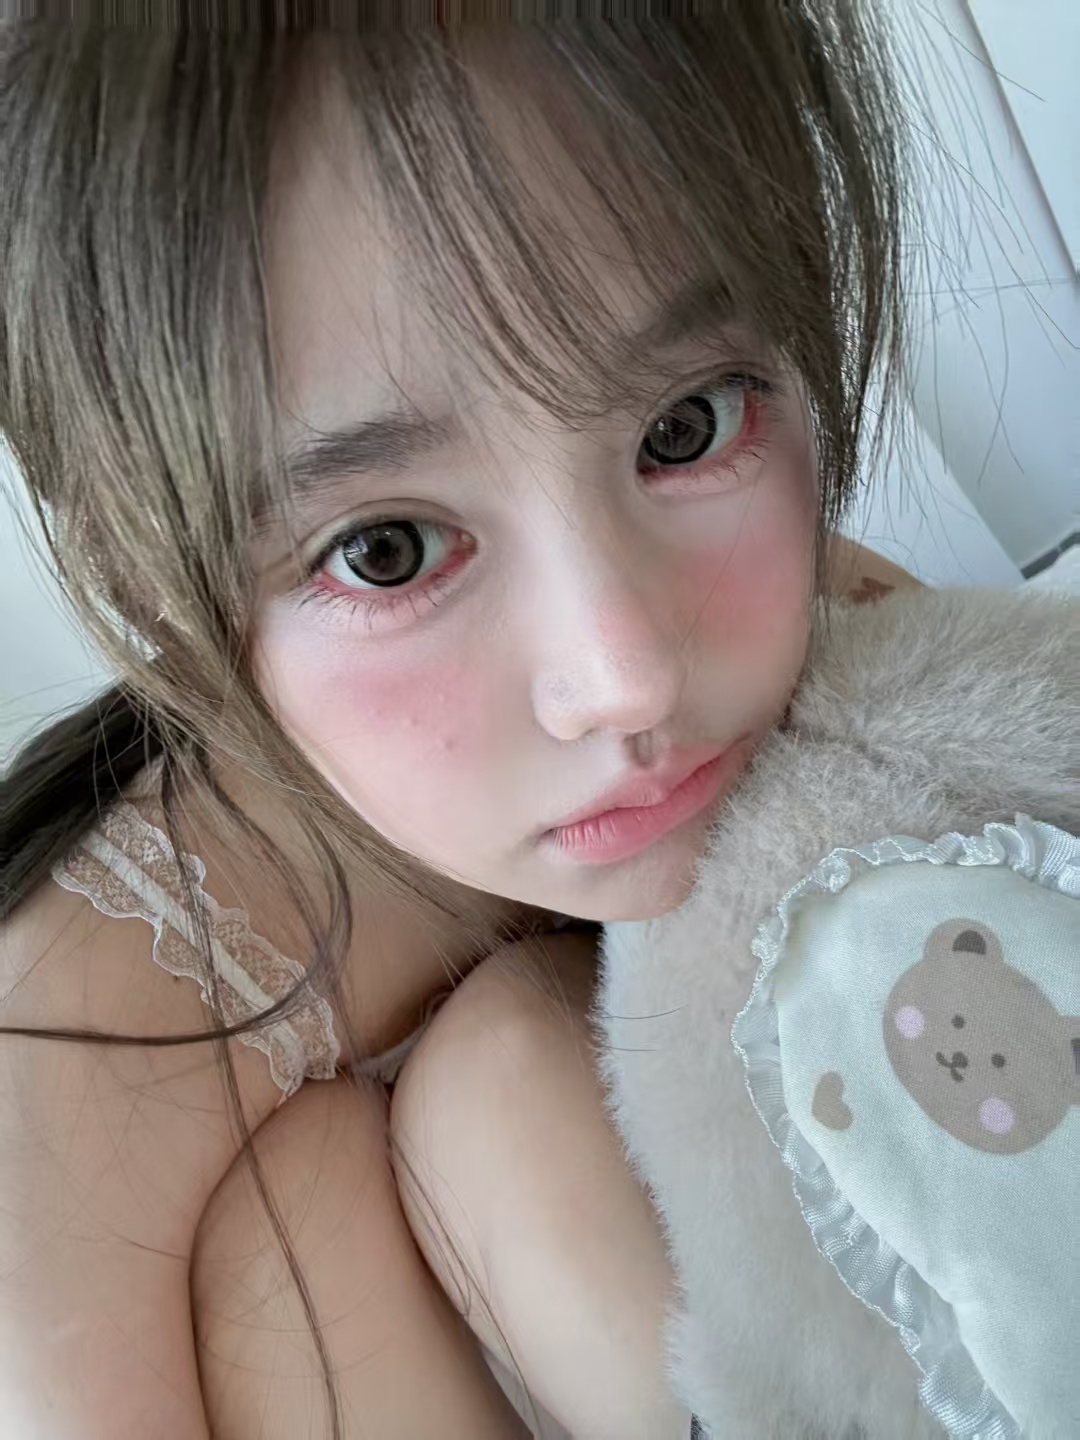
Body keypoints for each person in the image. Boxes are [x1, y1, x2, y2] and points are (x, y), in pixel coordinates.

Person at [0, 10, 920, 1438]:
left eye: (686, 425)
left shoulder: (865, 653)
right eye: (388, 552)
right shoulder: (72, 1055)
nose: (623, 673)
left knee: (489, 1089)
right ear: (153, 595)